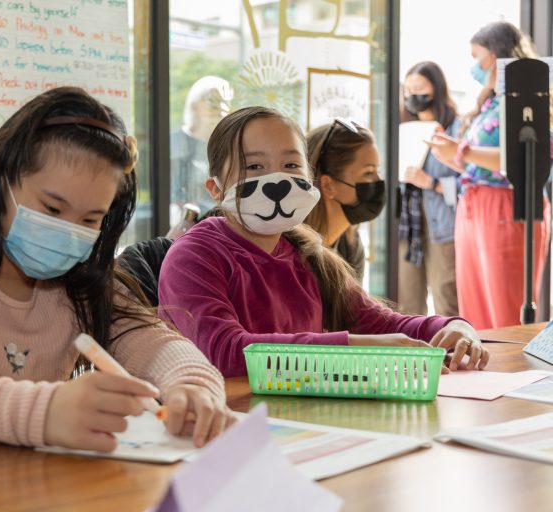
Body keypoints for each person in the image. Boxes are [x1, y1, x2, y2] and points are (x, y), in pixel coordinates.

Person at [0, 87, 233, 451]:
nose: (68, 231)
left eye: (90, 219)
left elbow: (160, 347)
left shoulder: (80, 283)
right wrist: (44, 412)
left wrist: (194, 388)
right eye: (52, 208)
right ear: (0, 181)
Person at [157, 106, 489, 378]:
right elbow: (225, 352)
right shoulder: (194, 256)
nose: (277, 179)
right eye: (254, 166)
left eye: (291, 165)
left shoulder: (309, 255)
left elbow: (383, 323)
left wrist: (454, 326)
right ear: (215, 189)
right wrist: (358, 350)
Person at [426, 21, 551, 329]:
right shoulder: (490, 102)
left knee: (505, 305)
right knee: (475, 305)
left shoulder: (528, 101)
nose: (474, 66)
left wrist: (462, 151)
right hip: (474, 204)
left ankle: (512, 362)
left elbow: (527, 156)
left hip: (508, 204)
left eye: (476, 56)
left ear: (495, 56)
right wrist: (452, 154)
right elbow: (479, 166)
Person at [398, 61, 461, 316]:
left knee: (446, 300)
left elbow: (471, 182)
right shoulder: (402, 128)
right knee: (407, 303)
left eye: (419, 89)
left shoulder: (456, 129)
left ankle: (453, 343)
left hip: (443, 226)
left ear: (436, 88)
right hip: (407, 225)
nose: (413, 96)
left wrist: (432, 183)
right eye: (408, 90)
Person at [304, 119, 386, 281]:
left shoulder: (351, 246)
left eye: (378, 171)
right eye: (368, 173)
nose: (379, 181)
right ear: (328, 185)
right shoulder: (293, 253)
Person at [170, 76, 234, 227]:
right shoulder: (174, 143)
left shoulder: (229, 147)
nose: (222, 109)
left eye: (226, 102)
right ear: (195, 106)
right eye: (214, 102)